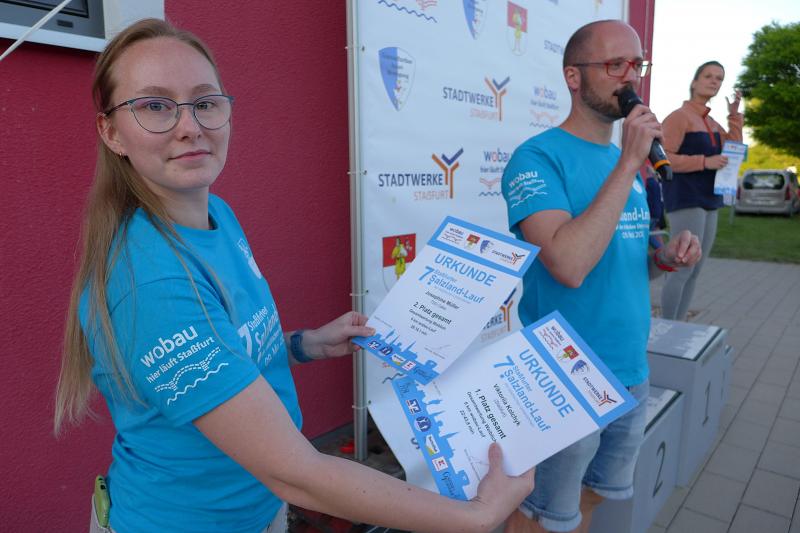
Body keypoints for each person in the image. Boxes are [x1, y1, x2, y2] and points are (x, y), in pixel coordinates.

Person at [53, 18, 533, 533]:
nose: (189, 126)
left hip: (257, 511)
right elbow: (297, 474)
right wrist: (476, 516)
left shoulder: (216, 216)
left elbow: (225, 354)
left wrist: (305, 345)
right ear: (111, 132)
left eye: (205, 102)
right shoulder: (150, 285)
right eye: (155, 106)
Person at [500, 20, 702, 533]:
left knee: (592, 498)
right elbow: (568, 265)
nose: (630, 77)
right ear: (573, 76)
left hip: (631, 367)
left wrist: (666, 257)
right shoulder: (537, 158)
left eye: (637, 65)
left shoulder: (622, 160)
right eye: (615, 65)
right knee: (541, 513)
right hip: (565, 374)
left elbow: (627, 257)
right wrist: (629, 163)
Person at [660, 61, 743, 320]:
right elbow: (662, 158)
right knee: (682, 268)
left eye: (719, 78)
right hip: (686, 198)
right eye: (708, 76)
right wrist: (704, 162)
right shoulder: (679, 117)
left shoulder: (713, 123)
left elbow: (734, 150)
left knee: (695, 270)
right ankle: (667, 326)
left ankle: (678, 326)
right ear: (694, 82)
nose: (714, 81)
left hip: (710, 200)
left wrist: (734, 115)